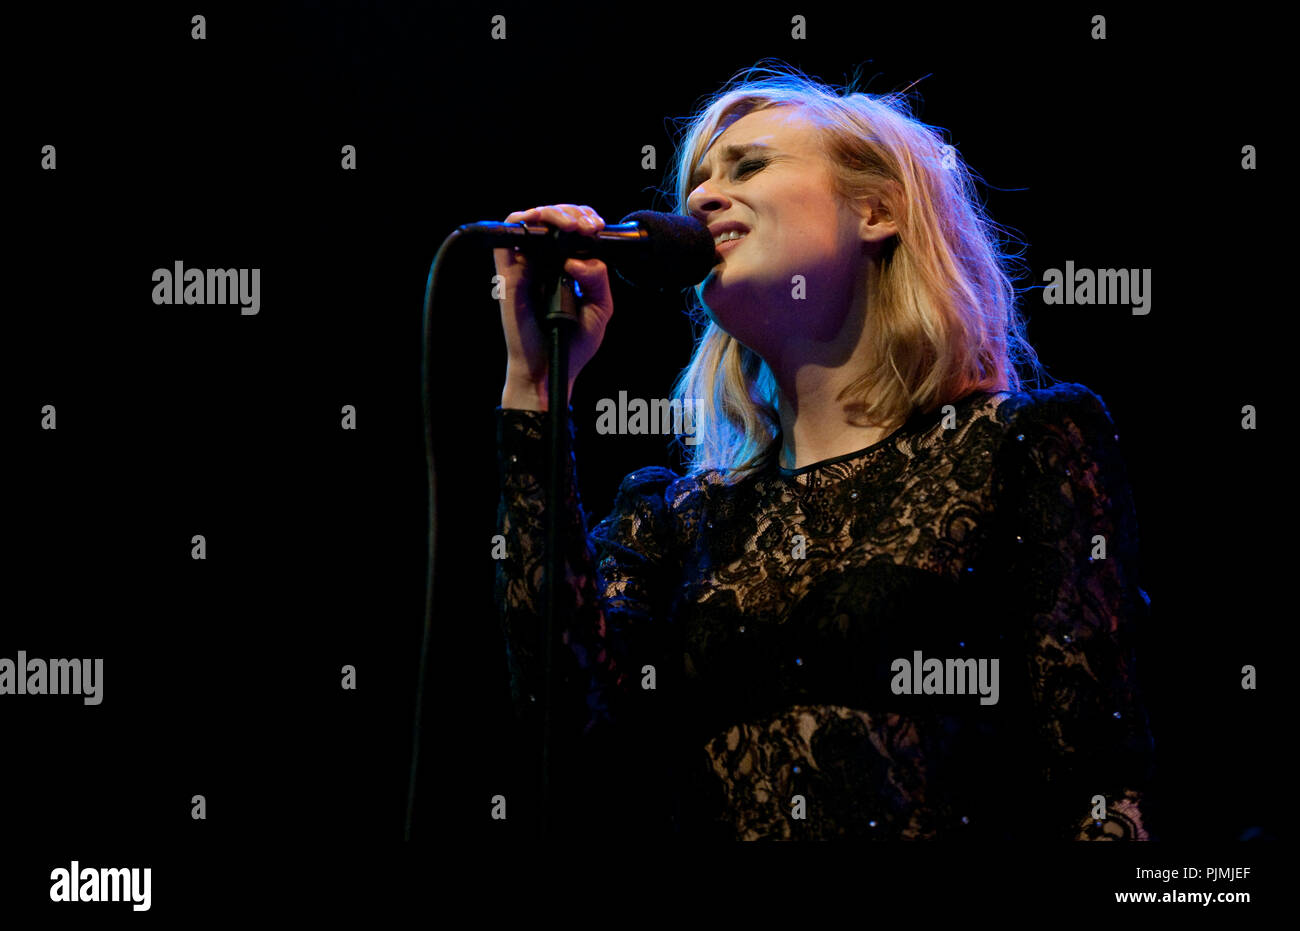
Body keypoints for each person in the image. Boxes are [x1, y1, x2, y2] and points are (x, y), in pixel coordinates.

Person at [492, 63, 1156, 841]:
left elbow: (1097, 785)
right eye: (698, 181)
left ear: (876, 211)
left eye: (748, 166)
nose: (702, 196)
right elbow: (562, 712)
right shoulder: (674, 521)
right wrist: (536, 384)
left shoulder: (1018, 451)